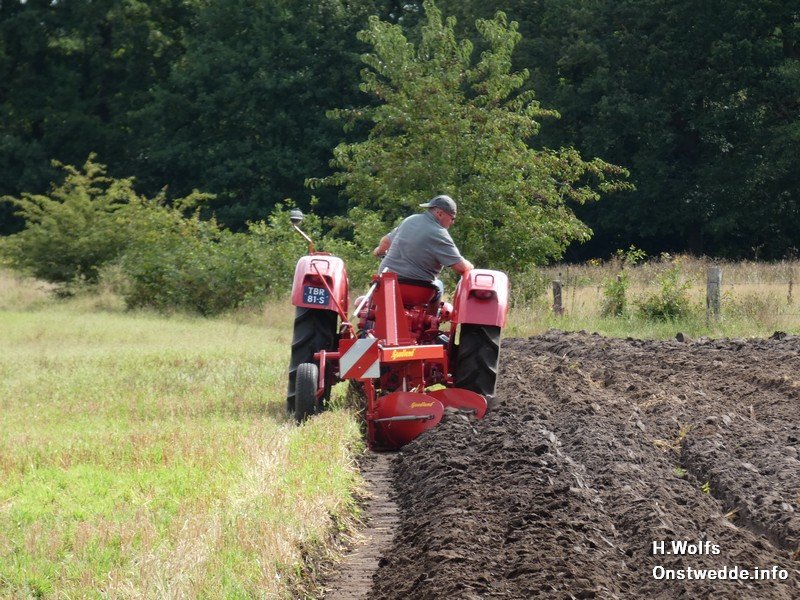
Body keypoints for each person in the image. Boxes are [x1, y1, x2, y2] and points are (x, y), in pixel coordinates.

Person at [373, 195, 473, 299]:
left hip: (386, 284)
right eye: (452, 218)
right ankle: (431, 310)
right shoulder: (440, 233)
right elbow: (461, 267)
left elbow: (385, 242)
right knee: (439, 285)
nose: (453, 222)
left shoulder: (410, 220)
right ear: (440, 214)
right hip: (418, 290)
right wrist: (470, 267)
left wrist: (378, 251)